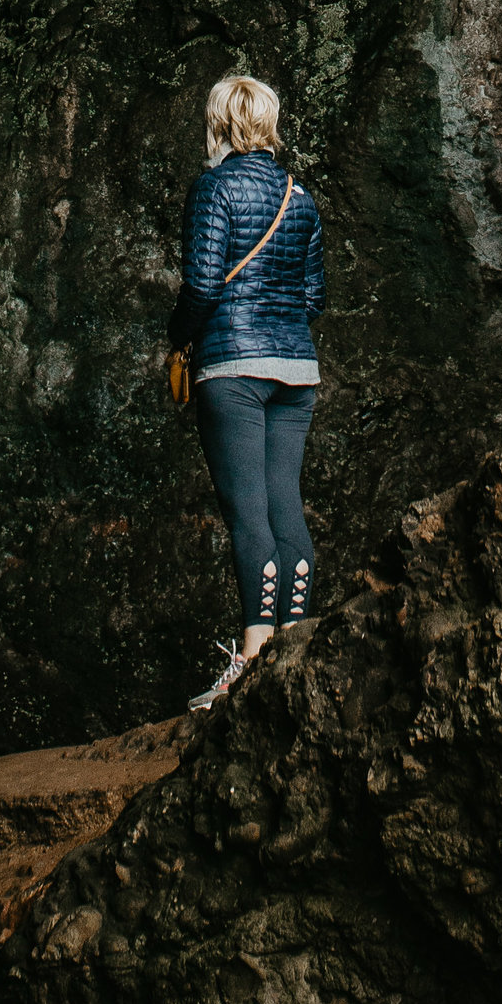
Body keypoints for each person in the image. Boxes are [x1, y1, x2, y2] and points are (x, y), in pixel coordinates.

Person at [168, 69, 326, 716]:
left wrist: (177, 339)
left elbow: (204, 285)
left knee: (249, 515)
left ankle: (253, 659)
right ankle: (294, 652)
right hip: (297, 370)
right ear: (268, 122)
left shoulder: (213, 189)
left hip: (233, 368)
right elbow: (314, 298)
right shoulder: (301, 196)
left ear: (217, 123)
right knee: (287, 508)